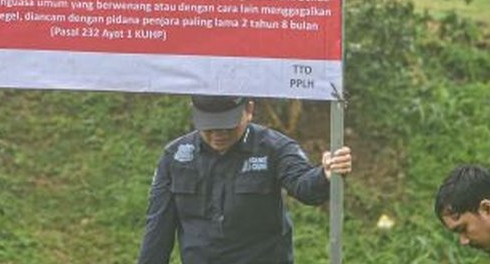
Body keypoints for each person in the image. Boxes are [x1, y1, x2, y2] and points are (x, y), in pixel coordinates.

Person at [137, 94, 353, 264]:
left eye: (228, 125)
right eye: (210, 127)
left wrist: (325, 175)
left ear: (249, 110)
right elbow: (158, 230)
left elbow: (304, 186)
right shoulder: (174, 156)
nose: (218, 134)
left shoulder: (275, 148)